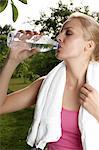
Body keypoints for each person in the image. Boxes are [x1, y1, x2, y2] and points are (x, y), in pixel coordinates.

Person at [0, 12, 99, 150]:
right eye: (60, 32)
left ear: (89, 45)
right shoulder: (46, 85)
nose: (58, 37)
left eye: (68, 33)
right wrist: (12, 60)